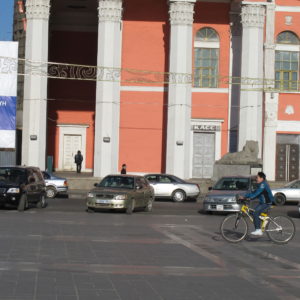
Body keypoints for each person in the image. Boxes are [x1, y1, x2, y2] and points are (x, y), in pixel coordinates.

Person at [240, 172, 274, 236]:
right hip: (262, 202)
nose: (256, 179)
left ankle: (258, 230)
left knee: (255, 212)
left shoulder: (263, 185)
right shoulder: (260, 184)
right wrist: (245, 196)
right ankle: (263, 220)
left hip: (266, 203)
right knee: (252, 212)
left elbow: (256, 193)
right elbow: (253, 192)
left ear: (261, 178)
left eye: (257, 177)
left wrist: (249, 198)